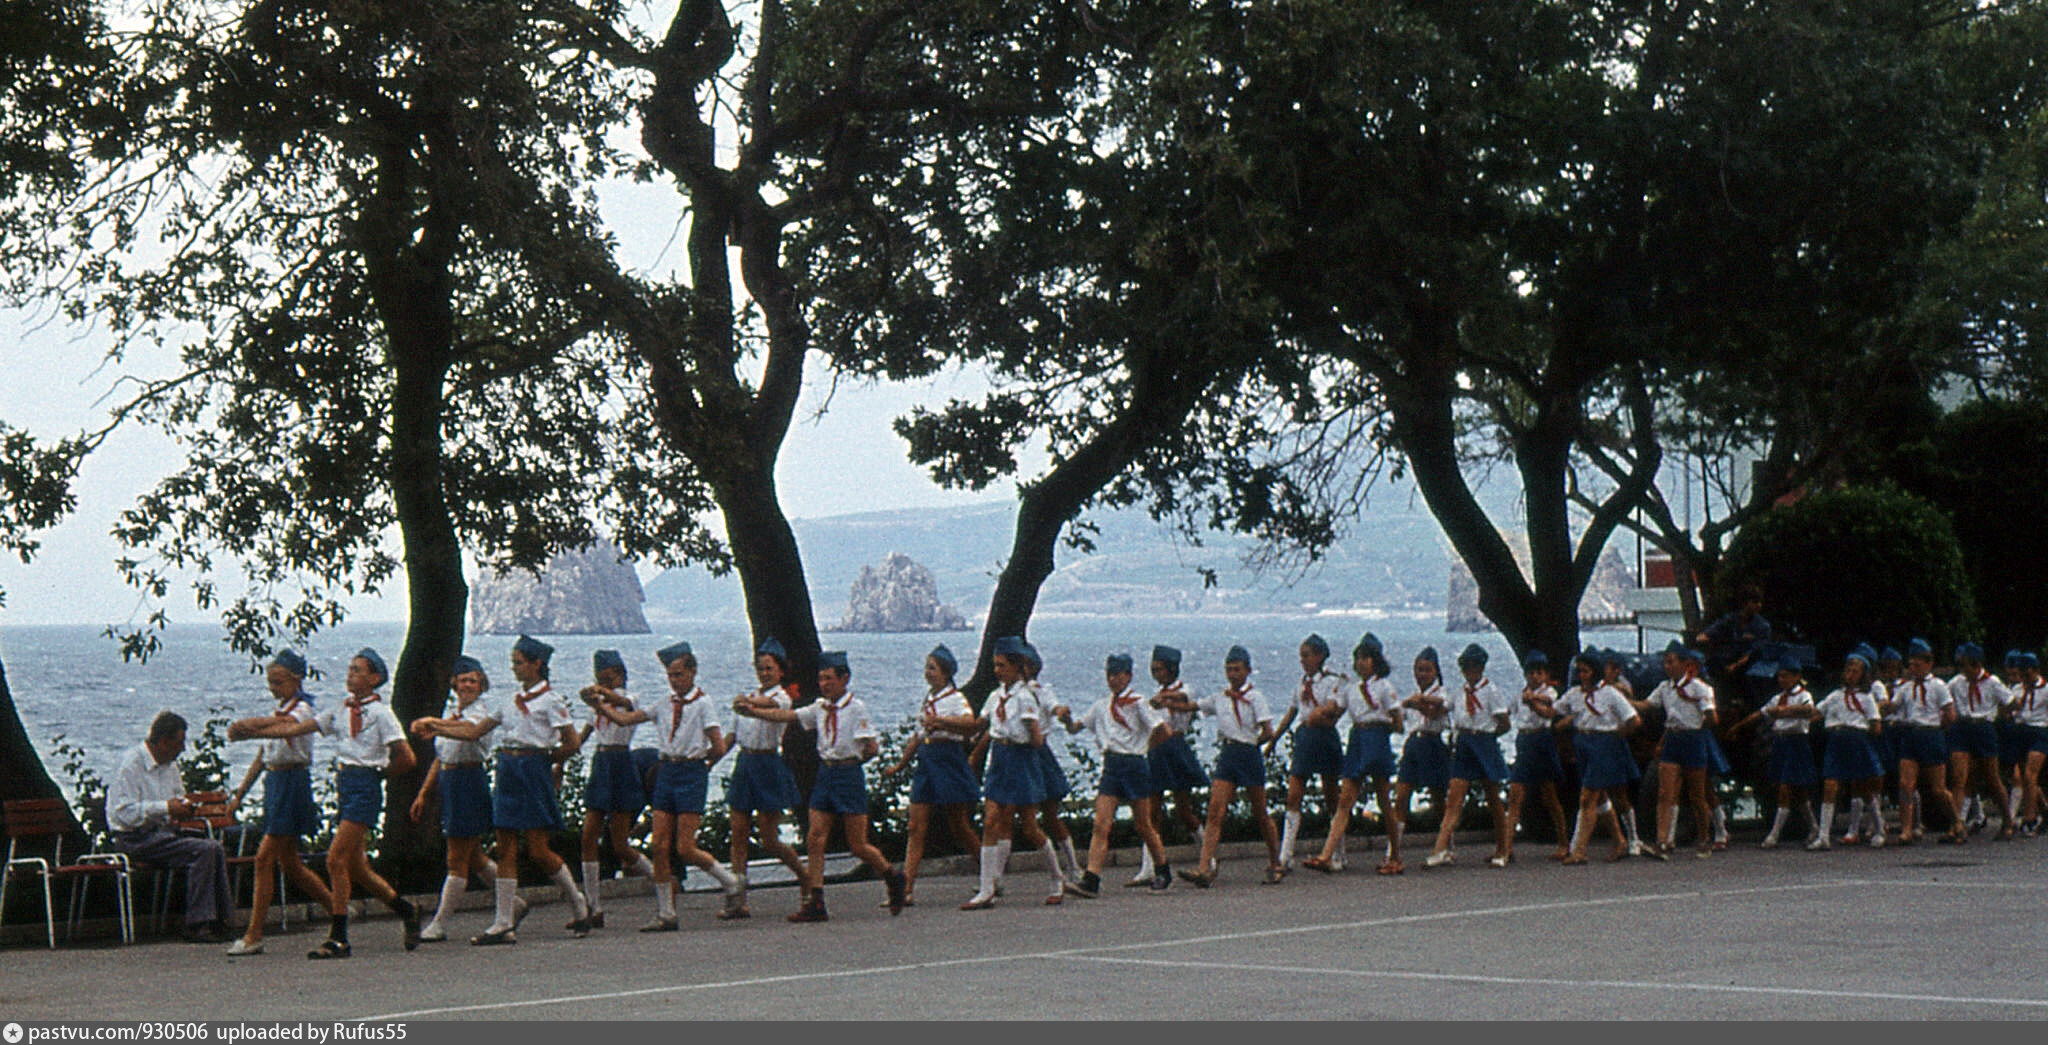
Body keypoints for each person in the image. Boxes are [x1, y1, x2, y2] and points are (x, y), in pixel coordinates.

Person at [229, 648, 419, 959]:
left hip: (364, 783)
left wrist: (380, 774)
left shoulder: (382, 715)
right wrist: (250, 733)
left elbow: (407, 757)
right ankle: (405, 909)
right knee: (356, 866)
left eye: (358, 670)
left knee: (334, 859)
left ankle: (339, 936)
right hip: (346, 782)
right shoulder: (340, 711)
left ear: (374, 679)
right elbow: (293, 729)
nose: (350, 674)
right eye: (349, 668)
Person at [412, 634, 591, 945]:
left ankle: (577, 901)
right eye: (513, 663)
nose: (514, 668)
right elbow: (474, 731)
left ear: (537, 665)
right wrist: (436, 725)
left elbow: (572, 742)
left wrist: (548, 762)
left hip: (532, 767)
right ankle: (503, 922)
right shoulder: (508, 701)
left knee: (537, 849)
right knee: (505, 844)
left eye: (519, 663)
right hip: (508, 768)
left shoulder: (551, 701)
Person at [738, 650, 907, 923]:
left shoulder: (856, 708)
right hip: (825, 773)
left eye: (830, 678)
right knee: (816, 838)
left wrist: (852, 762)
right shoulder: (818, 707)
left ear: (844, 679)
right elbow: (789, 716)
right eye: (821, 679)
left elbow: (871, 747)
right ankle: (815, 900)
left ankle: (892, 875)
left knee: (858, 844)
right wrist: (754, 712)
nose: (825, 684)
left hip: (848, 774)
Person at [608, 641, 740, 929]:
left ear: (692, 672)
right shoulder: (664, 704)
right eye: (670, 675)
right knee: (660, 844)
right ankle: (666, 912)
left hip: (690, 771)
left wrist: (702, 765)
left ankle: (730, 882)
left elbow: (718, 744)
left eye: (679, 674)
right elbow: (627, 717)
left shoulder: (703, 704)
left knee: (685, 847)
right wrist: (598, 706)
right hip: (666, 770)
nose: (674, 680)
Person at [222, 649, 335, 955]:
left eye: (279, 681)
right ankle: (339, 910)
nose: (273, 687)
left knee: (263, 859)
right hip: (275, 782)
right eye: (270, 682)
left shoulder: (302, 711)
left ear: (296, 679)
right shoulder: (280, 710)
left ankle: (254, 933)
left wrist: (247, 724)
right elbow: (263, 755)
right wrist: (240, 794)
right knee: (291, 864)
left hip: (292, 783)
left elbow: (283, 728)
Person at [108, 711, 235, 944]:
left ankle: (222, 919)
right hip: (135, 838)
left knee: (214, 847)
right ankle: (197, 923)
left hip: (162, 834)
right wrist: (165, 808)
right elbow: (122, 813)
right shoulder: (131, 765)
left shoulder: (170, 767)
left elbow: (177, 799)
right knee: (203, 850)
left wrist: (181, 811)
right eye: (179, 743)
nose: (182, 749)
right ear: (164, 742)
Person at [1054, 653, 1172, 896]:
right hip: (1112, 765)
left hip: (1134, 765)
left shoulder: (1138, 703)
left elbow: (1163, 730)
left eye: (1118, 674)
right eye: (1110, 674)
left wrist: (1144, 748)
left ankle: (1162, 868)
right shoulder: (1101, 706)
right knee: (1101, 823)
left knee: (1143, 824)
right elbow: (1076, 728)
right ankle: (1092, 877)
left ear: (1128, 675)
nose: (1113, 679)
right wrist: (1066, 721)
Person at [1163, 645, 1282, 887]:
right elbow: (1193, 707)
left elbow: (1268, 731)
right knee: (1215, 812)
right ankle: (1204, 867)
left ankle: (1275, 862)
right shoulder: (1220, 698)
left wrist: (1251, 743)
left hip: (1248, 753)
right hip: (1228, 754)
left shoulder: (1255, 698)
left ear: (1248, 670)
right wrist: (1166, 702)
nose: (1232, 674)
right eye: (1229, 669)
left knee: (1260, 812)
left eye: (1237, 669)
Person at [960, 636, 1062, 910]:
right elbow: (978, 724)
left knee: (1030, 826)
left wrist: (1024, 739)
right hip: (1000, 758)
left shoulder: (1025, 699)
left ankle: (1057, 879)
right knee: (991, 820)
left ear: (1017, 668)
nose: (997, 670)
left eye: (1002, 665)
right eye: (995, 665)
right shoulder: (995, 697)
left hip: (1020, 758)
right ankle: (986, 888)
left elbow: (1037, 739)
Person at [406, 654, 502, 943]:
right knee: (472, 855)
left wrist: (434, 724)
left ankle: (439, 923)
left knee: (456, 857)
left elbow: (469, 735)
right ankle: (514, 903)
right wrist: (424, 792)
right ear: (454, 684)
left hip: (469, 780)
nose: (467, 685)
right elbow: (441, 756)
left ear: (481, 684)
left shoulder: (480, 714)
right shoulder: (450, 713)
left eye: (472, 680)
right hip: (450, 780)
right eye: (462, 681)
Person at [880, 644, 982, 907]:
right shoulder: (929, 700)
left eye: (933, 668)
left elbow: (969, 725)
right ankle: (906, 887)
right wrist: (900, 765)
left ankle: (988, 873)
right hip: (927, 760)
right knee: (915, 827)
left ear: (946, 673)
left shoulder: (955, 699)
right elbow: (918, 736)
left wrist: (942, 722)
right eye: (927, 667)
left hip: (948, 759)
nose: (928, 673)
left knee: (959, 825)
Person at [723, 638, 810, 918]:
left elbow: (770, 708)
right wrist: (709, 759)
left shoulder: (782, 697)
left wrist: (747, 704)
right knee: (738, 833)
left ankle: (805, 876)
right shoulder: (749, 698)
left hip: (768, 764)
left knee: (769, 839)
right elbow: (731, 737)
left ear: (780, 671)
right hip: (746, 763)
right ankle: (738, 899)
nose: (764, 673)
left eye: (769, 668)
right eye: (760, 668)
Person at [1302, 633, 1401, 873]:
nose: (1361, 663)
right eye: (1358, 658)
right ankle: (1326, 855)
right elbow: (1335, 709)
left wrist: (1388, 729)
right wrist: (1320, 713)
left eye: (1366, 658)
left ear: (1375, 661)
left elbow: (1397, 719)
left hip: (1376, 737)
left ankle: (1395, 856)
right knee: (1345, 800)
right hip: (1358, 738)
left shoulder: (1384, 687)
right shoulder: (1350, 688)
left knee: (1384, 800)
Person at [573, 649, 655, 928]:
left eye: (608, 678)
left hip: (621, 762)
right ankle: (593, 906)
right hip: (602, 760)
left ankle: (659, 878)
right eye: (600, 678)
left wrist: (600, 697)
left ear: (619, 675)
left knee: (620, 844)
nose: (605, 684)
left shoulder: (630, 699)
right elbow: (581, 737)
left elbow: (621, 701)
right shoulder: (596, 706)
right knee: (588, 836)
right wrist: (559, 759)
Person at [1423, 644, 1512, 868]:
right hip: (1464, 743)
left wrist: (1489, 736)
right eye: (1466, 667)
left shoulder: (1491, 691)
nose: (1470, 671)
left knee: (1493, 799)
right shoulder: (1460, 692)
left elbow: (1504, 723)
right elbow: (1442, 710)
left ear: (1481, 668)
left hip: (1484, 741)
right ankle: (1439, 848)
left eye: (1475, 666)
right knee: (1454, 798)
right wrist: (1422, 704)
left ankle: (1503, 849)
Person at [1266, 634, 1349, 875]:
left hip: (1324, 737)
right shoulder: (1301, 684)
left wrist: (1321, 715)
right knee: (1294, 795)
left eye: (1307, 655)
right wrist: (1274, 740)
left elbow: (1334, 711)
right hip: (1305, 738)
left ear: (1320, 656)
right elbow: (1292, 713)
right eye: (1301, 656)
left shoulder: (1334, 682)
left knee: (1332, 796)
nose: (1303, 661)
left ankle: (1338, 852)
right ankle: (1286, 855)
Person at [1554, 651, 1641, 865]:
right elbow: (1553, 711)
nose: (1582, 675)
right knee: (1602, 797)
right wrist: (1534, 702)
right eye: (1579, 671)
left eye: (1586, 671)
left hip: (1605, 744)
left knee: (1590, 796)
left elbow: (1634, 720)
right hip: (1584, 743)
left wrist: (1617, 735)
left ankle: (1580, 849)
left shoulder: (1610, 694)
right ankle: (1620, 841)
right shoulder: (1575, 694)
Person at [1729, 657, 1820, 849]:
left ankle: (1774, 834)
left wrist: (1783, 711)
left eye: (1785, 676)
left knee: (1786, 788)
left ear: (1797, 677)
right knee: (1798, 791)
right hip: (1781, 743)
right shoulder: (1778, 697)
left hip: (1796, 742)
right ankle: (1813, 826)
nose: (1781, 680)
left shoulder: (1804, 695)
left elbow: (1808, 710)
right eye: (1779, 676)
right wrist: (1739, 726)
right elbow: (1762, 713)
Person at [1636, 641, 1716, 858]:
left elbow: (1711, 717)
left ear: (1684, 663)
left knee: (1697, 794)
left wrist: (1698, 725)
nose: (1667, 666)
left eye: (1671, 662)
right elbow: (1647, 705)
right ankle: (1662, 841)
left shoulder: (1699, 688)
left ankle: (1704, 837)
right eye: (1665, 662)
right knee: (1665, 792)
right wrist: (1624, 701)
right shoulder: (1665, 688)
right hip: (1673, 738)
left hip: (1693, 739)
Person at [1134, 644, 1206, 886]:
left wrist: (1159, 700)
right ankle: (1148, 867)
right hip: (1157, 749)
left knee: (1184, 811)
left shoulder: (1185, 689)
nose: (1156, 674)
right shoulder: (1156, 695)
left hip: (1176, 747)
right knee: (1151, 811)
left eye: (1160, 669)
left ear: (1172, 669)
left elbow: (1182, 699)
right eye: (1153, 669)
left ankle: (1208, 858)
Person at [1382, 646, 1451, 875]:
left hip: (1432, 743)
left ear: (1435, 672)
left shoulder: (1442, 693)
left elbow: (1436, 710)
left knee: (1438, 799)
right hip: (1414, 744)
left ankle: (1447, 845)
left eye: (1427, 670)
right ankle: (1393, 851)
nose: (1422, 674)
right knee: (1401, 797)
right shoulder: (1412, 695)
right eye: (1419, 669)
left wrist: (1417, 701)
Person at [1020, 642, 1083, 888]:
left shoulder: (1040, 692)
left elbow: (1054, 707)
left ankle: (1073, 866)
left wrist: (1062, 713)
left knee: (1049, 816)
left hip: (1038, 754)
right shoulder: (1010, 693)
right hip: (1021, 754)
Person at [1889, 638, 1964, 844]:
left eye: (1918, 663)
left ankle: (1957, 821)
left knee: (1938, 788)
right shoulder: (1905, 688)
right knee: (1906, 784)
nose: (1914, 667)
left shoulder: (1938, 686)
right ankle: (1907, 830)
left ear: (1928, 664)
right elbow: (1893, 707)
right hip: (1911, 734)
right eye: (1911, 663)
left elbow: (1950, 714)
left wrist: (1939, 728)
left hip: (1931, 734)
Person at [1500, 650, 1570, 864]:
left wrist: (1533, 700)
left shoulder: (1550, 693)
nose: (1535, 677)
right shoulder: (1520, 695)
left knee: (1550, 796)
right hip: (1525, 741)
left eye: (1539, 672)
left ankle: (1564, 843)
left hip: (1542, 740)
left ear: (1545, 674)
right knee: (1515, 795)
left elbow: (1547, 707)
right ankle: (1506, 848)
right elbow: (1507, 714)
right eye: (1531, 672)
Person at [1815, 645, 1887, 850]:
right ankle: (1823, 836)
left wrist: (1861, 732)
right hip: (1836, 740)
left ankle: (1880, 829)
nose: (1850, 675)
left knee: (1864, 788)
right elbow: (1816, 712)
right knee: (1830, 785)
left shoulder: (1867, 698)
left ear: (1864, 675)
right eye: (1848, 670)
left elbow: (1876, 726)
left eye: (1855, 671)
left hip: (1857, 739)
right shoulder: (1834, 696)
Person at [1946, 642, 2012, 838]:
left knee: (1992, 778)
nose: (1962, 670)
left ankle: (2007, 821)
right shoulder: (1957, 682)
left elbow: (2011, 702)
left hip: (1983, 727)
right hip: (1962, 727)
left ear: (1974, 664)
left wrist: (1996, 716)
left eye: (1964, 665)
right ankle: (1957, 825)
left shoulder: (1992, 682)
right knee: (1959, 777)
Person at [2007, 652, 2048, 836]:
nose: (2025, 678)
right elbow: (2009, 712)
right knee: (2025, 776)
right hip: (2020, 731)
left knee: (2031, 774)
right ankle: (2044, 810)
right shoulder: (2017, 689)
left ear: (2036, 671)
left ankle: (2029, 817)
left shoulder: (2046, 690)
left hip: (2039, 731)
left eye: (2028, 673)